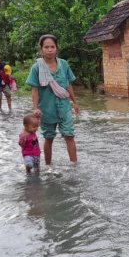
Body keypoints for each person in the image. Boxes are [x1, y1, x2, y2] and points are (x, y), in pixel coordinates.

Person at [25, 34, 81, 165]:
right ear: (41, 49)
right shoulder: (37, 68)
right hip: (46, 110)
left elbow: (69, 85)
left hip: (64, 107)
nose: (50, 49)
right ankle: (49, 167)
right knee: (48, 138)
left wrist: (75, 102)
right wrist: (35, 108)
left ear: (56, 48)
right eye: (46, 47)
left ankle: (74, 166)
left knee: (69, 135)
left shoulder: (64, 64)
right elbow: (35, 90)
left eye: (52, 47)